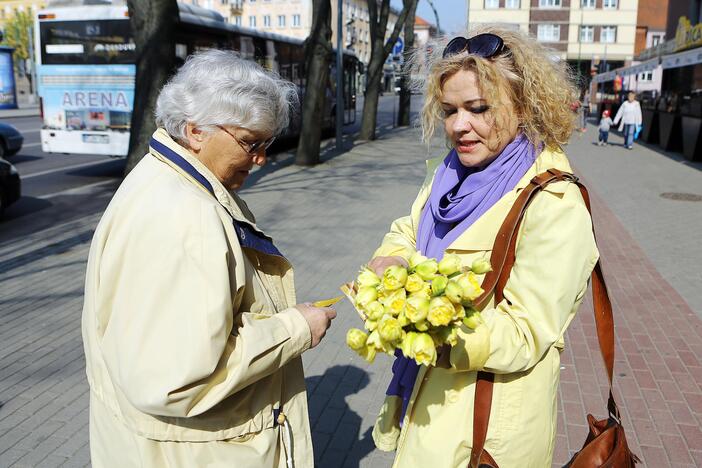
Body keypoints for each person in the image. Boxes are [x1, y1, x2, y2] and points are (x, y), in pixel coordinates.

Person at [81, 50, 337, 468]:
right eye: (251, 143)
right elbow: (175, 380)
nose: (260, 159)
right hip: (197, 452)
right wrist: (295, 328)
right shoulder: (187, 216)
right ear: (196, 130)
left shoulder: (157, 177)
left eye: (266, 143)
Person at [367, 27, 599, 467]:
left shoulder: (553, 201)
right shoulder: (449, 173)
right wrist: (393, 258)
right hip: (426, 400)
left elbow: (527, 331)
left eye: (478, 109)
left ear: (523, 105)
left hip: (484, 430)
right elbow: (410, 228)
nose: (458, 126)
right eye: (450, 110)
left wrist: (430, 332)